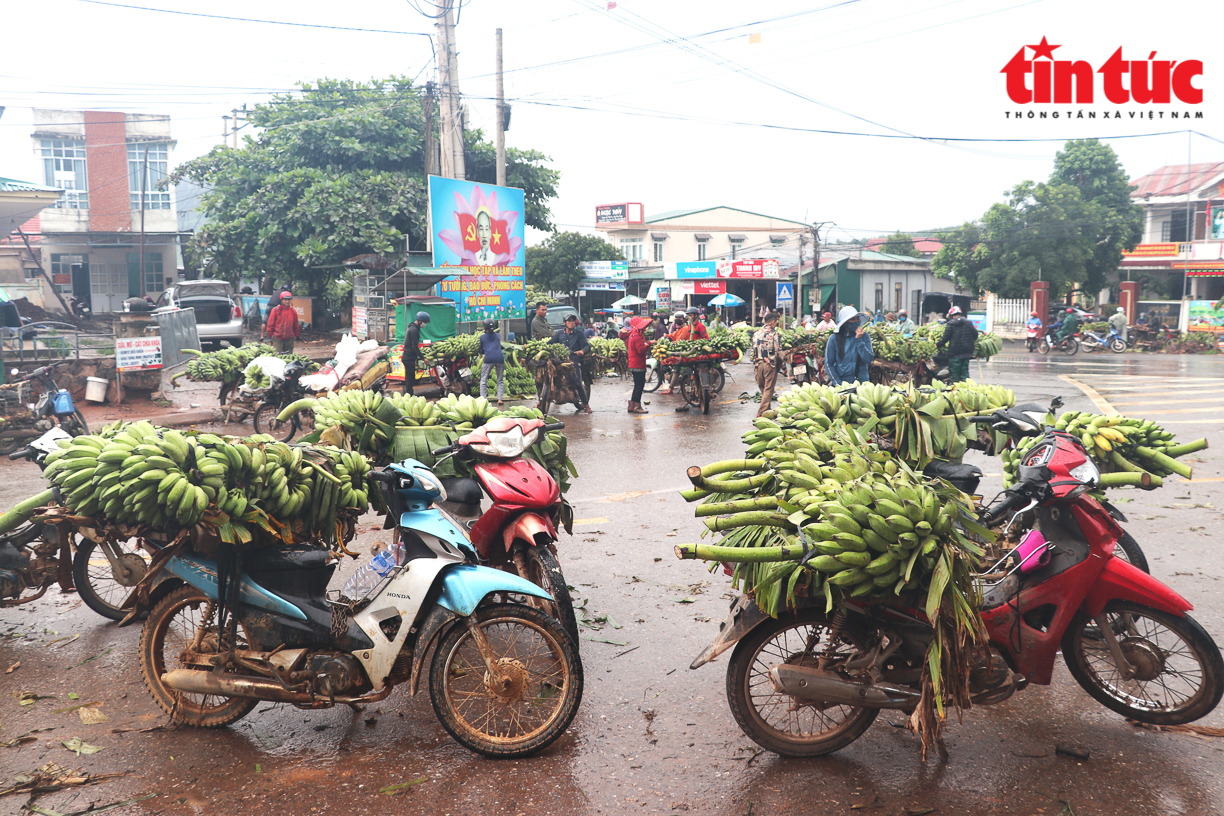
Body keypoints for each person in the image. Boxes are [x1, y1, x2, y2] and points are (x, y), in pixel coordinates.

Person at [552, 313, 592, 413]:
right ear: (564, 323)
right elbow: (550, 343)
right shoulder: (559, 334)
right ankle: (541, 400)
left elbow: (587, 346)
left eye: (573, 321)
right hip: (560, 361)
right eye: (569, 321)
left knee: (578, 382)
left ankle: (586, 405)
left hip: (574, 361)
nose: (571, 323)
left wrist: (582, 351)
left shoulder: (579, 334)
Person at [825, 306, 874, 386]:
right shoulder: (834, 339)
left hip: (862, 383)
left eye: (857, 319)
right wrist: (839, 384)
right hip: (843, 383)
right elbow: (829, 364)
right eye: (853, 319)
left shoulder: (865, 337)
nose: (856, 321)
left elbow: (868, 359)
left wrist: (859, 340)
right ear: (845, 323)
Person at [751, 312, 784, 418]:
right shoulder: (775, 334)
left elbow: (753, 350)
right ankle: (761, 412)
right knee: (768, 388)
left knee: (763, 387)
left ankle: (767, 411)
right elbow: (778, 351)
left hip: (758, 365)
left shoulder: (756, 333)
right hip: (769, 365)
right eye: (776, 323)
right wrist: (782, 365)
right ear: (772, 322)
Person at [936, 306, 977, 383]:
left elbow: (945, 338)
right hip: (967, 352)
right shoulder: (968, 322)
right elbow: (975, 335)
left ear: (952, 315)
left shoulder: (951, 324)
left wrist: (937, 345)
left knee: (954, 372)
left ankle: (955, 388)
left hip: (955, 352)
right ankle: (966, 387)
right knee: (964, 371)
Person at [622, 316, 651, 414]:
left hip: (634, 363)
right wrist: (649, 344)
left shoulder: (633, 334)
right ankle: (637, 406)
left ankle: (632, 406)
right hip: (638, 364)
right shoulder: (637, 336)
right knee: (639, 386)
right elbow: (641, 349)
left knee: (637, 386)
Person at [400, 310, 430, 394]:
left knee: (410, 377)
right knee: (410, 378)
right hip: (408, 357)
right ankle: (408, 395)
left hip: (409, 357)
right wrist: (423, 358)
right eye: (424, 322)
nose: (425, 324)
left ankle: (407, 393)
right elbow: (414, 347)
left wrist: (416, 358)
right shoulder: (414, 330)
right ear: (420, 321)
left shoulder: (413, 328)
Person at [478, 320, 505, 406]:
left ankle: (483, 399)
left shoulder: (482, 337)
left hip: (489, 359)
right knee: (500, 379)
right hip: (500, 358)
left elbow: (481, 350)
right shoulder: (497, 336)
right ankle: (500, 399)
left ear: (484, 327)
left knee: (483, 379)